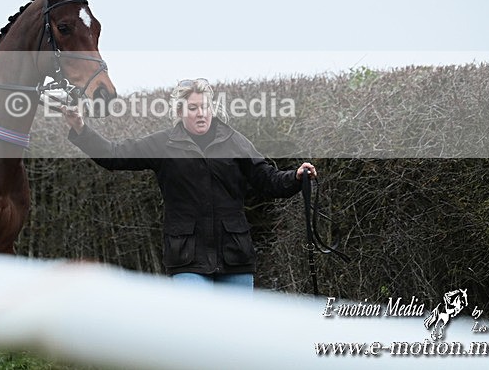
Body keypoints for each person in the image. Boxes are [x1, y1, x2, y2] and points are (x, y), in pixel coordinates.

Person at [61, 78, 316, 291]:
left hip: (235, 256)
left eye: (204, 106)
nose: (201, 113)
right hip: (187, 258)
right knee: (197, 334)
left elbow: (267, 179)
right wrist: (81, 128)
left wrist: (295, 176)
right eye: (193, 108)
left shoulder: (235, 142)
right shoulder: (163, 144)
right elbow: (114, 155)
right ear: (180, 112)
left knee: (235, 337)